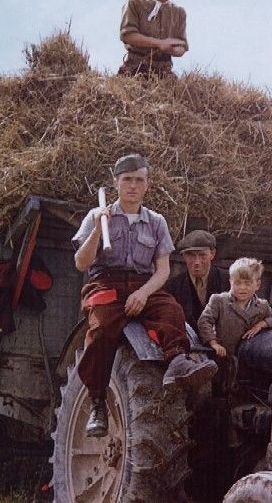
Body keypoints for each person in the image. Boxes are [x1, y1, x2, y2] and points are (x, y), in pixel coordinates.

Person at [72, 153, 217, 437]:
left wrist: (142, 293)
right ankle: (97, 402)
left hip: (144, 283)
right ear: (116, 182)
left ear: (147, 184)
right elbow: (82, 263)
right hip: (105, 284)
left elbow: (162, 271)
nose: (133, 186)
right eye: (127, 180)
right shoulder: (96, 216)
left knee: (172, 311)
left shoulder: (156, 222)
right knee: (100, 330)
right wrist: (97, 231)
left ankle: (178, 362)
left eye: (139, 180)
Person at [198, 258, 272, 357]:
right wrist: (214, 343)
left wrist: (261, 324)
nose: (242, 287)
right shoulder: (219, 301)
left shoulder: (262, 306)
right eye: (237, 283)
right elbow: (204, 321)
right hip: (222, 357)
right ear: (230, 282)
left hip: (249, 361)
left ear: (258, 284)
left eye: (247, 283)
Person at [118, 0, 188, 78]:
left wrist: (172, 49)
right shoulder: (135, 3)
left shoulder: (179, 12)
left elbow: (182, 46)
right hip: (135, 69)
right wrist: (160, 43)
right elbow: (128, 35)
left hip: (164, 73)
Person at [165, 230, 230, 331]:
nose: (197, 262)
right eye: (191, 255)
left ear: (212, 254)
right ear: (184, 256)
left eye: (202, 255)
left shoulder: (229, 281)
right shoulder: (172, 287)